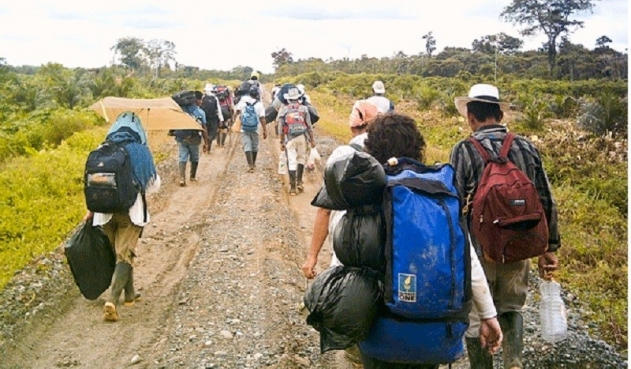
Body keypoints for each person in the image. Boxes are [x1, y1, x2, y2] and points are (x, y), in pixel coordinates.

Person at [358, 113, 503, 369]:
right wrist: (488, 315)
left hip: (380, 336)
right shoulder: (438, 192)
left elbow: (343, 258)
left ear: (372, 149)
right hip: (434, 337)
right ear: (418, 149)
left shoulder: (368, 189)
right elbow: (467, 258)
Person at [449, 83, 561, 369]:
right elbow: (545, 198)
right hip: (519, 245)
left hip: (480, 249)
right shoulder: (525, 146)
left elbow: (454, 203)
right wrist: (549, 247)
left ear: (471, 117)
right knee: (512, 306)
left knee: (477, 316)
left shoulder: (463, 150)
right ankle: (514, 361)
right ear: (499, 114)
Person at [83, 111, 161, 322]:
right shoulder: (140, 151)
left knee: (122, 254)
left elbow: (93, 184)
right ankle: (112, 300)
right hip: (130, 212)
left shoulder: (102, 149)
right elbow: (154, 185)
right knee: (125, 255)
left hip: (103, 213)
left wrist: (90, 211)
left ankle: (130, 294)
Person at [302, 99, 380, 278]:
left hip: (347, 238)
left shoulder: (342, 154)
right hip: (382, 240)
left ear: (352, 128)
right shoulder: (389, 151)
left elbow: (325, 210)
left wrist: (312, 256)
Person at [278, 87, 315, 195]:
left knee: (291, 160)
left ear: (288, 99)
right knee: (301, 159)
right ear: (298, 98)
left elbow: (281, 128)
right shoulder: (304, 109)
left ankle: (293, 188)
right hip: (302, 138)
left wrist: (281, 142)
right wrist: (312, 140)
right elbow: (309, 126)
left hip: (290, 139)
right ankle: (299, 182)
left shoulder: (284, 109)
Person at [170, 91, 210, 186]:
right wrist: (206, 142)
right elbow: (204, 128)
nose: (201, 102)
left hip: (181, 137)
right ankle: (192, 177)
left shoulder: (180, 110)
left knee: (182, 156)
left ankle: (182, 178)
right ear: (197, 100)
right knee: (194, 157)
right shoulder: (200, 112)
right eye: (200, 100)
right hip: (194, 138)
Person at [233, 86, 267, 172]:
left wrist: (235, 119)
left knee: (247, 145)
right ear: (257, 94)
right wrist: (265, 130)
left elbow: (237, 112)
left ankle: (250, 165)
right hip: (255, 128)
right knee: (254, 146)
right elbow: (262, 118)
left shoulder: (243, 102)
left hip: (244, 128)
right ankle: (254, 163)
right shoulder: (259, 104)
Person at [201, 84, 225, 153]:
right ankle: (208, 148)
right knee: (212, 133)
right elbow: (218, 109)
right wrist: (221, 119)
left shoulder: (203, 97)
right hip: (213, 118)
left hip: (204, 119)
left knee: (205, 132)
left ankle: (205, 144)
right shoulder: (215, 98)